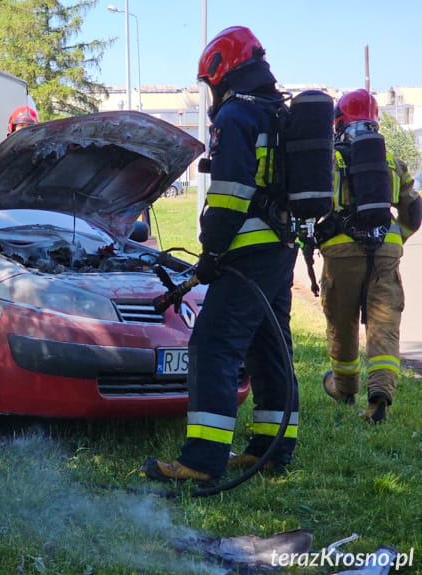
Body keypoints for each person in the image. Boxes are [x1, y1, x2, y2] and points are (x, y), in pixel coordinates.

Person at [142, 26, 300, 482]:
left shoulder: (235, 116)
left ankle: (201, 462)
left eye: (209, 83)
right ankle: (273, 450)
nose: (211, 92)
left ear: (221, 72)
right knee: (271, 346)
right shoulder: (275, 111)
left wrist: (211, 250)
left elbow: (230, 196)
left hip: (247, 252)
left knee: (213, 346)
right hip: (278, 248)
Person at [320, 89, 421, 423]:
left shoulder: (330, 159)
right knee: (384, 325)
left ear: (339, 121)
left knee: (342, 321)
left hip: (341, 253)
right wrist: (394, 242)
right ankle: (379, 398)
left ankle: (344, 387)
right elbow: (414, 213)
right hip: (385, 255)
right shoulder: (393, 162)